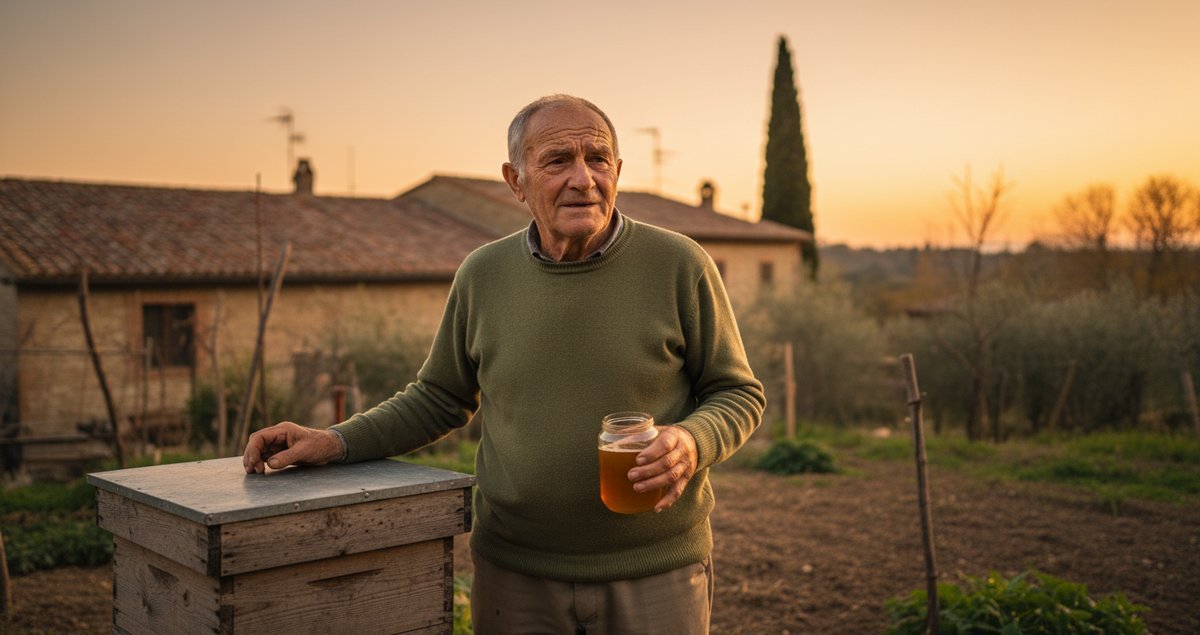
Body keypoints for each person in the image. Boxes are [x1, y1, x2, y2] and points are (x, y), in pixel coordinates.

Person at [243, 94, 765, 634]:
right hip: (515, 576)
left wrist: (693, 441)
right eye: (558, 160)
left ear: (617, 171)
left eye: (598, 159)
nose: (583, 179)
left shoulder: (679, 264)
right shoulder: (482, 274)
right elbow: (438, 398)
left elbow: (738, 392)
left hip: (657, 572)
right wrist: (334, 441)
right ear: (516, 181)